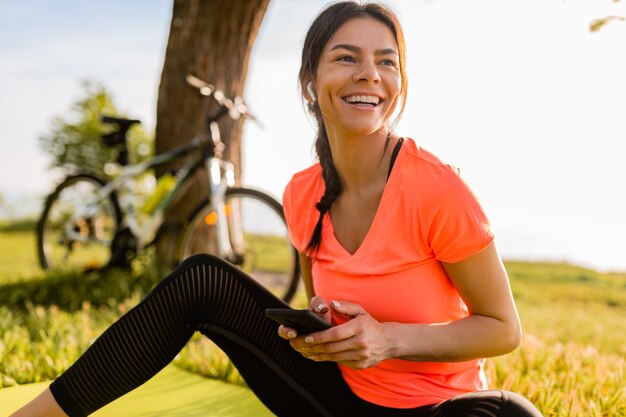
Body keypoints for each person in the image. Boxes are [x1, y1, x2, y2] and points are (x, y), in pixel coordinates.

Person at [11, 2, 544, 416]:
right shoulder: (301, 193)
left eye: (387, 61)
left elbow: (502, 329)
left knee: (510, 414)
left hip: (434, 413)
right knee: (202, 278)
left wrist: (387, 339)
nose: (369, 74)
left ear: (399, 86)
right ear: (310, 85)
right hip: (335, 403)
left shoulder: (436, 188)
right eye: (346, 57)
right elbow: (322, 306)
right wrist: (318, 332)